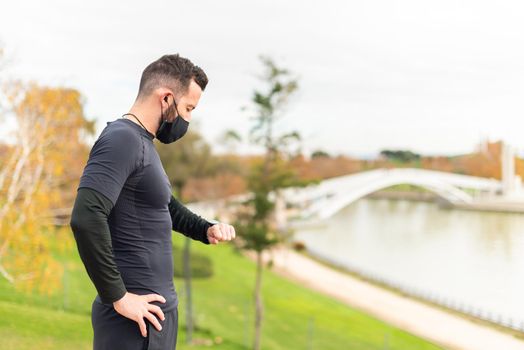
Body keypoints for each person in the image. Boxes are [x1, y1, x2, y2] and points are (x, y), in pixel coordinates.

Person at [70, 54, 236, 350]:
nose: (187, 119)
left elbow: (163, 205)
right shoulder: (122, 139)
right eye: (188, 108)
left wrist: (204, 229)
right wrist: (118, 296)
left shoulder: (141, 142)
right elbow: (86, 216)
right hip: (133, 323)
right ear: (166, 98)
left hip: (154, 319)